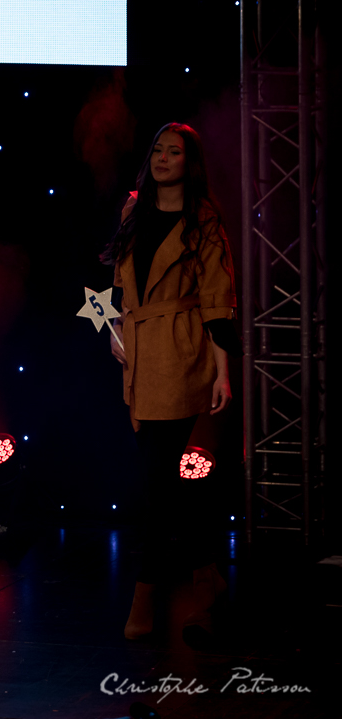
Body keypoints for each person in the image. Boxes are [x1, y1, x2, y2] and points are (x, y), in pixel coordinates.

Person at [102, 122, 237, 644]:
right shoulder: (133, 211)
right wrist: (115, 332)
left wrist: (223, 372)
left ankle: (146, 592)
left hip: (183, 353)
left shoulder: (203, 220)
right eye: (157, 149)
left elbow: (218, 298)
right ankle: (207, 575)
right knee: (162, 482)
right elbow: (119, 285)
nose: (162, 158)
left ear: (189, 162)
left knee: (161, 484)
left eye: (174, 151)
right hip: (138, 354)